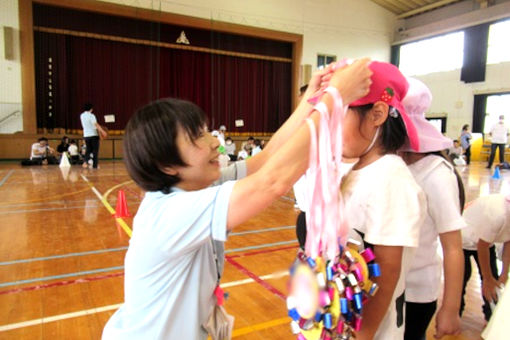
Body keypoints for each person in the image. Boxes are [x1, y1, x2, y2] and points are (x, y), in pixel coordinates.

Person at [101, 58, 372, 339]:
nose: (214, 142)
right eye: (197, 137)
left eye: (206, 131)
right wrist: (336, 98)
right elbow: (272, 181)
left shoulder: (195, 185)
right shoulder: (171, 211)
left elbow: (268, 158)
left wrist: (311, 100)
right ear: (167, 165)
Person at [340, 61, 426, 340]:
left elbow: (387, 272)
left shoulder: (391, 179)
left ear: (377, 114)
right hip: (345, 317)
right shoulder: (356, 170)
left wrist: (363, 335)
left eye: (339, 116)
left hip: (375, 328)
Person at [399, 77, 466, 340]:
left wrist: (450, 307)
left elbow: (453, 247)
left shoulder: (436, 174)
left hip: (416, 293)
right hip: (386, 286)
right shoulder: (394, 165)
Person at [461, 194, 510, 322]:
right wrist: (487, 278)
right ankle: (455, 313)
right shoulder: (498, 214)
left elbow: (508, 242)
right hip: (464, 238)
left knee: (494, 279)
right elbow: (482, 246)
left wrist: (504, 273)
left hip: (486, 240)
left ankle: (492, 317)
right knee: (462, 277)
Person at [80, 103, 107, 169]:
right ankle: (95, 165)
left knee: (88, 150)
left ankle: (85, 162)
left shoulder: (82, 115)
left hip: (86, 135)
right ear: (91, 109)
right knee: (95, 151)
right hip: (93, 135)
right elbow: (96, 125)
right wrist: (102, 131)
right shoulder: (92, 116)